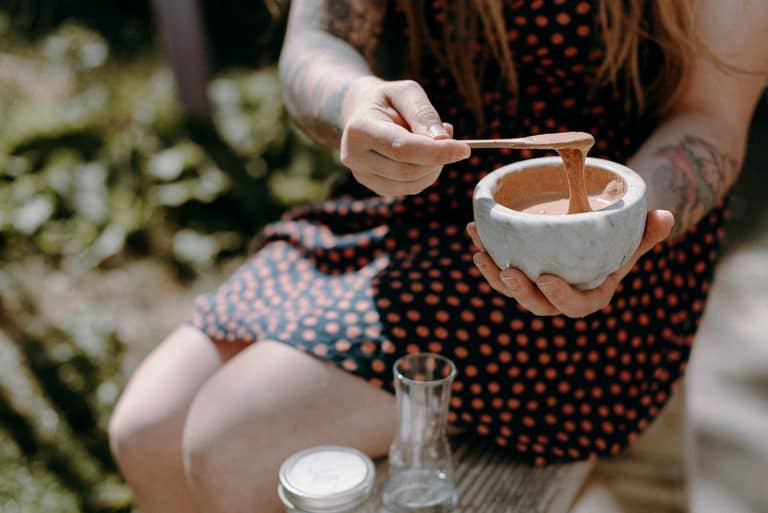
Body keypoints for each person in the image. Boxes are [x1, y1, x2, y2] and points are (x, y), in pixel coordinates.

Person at [108, 1, 768, 512]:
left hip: (600, 263)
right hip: (411, 214)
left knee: (232, 441)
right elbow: (316, 43)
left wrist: (615, 230)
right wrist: (351, 103)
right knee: (147, 431)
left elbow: (711, 115)